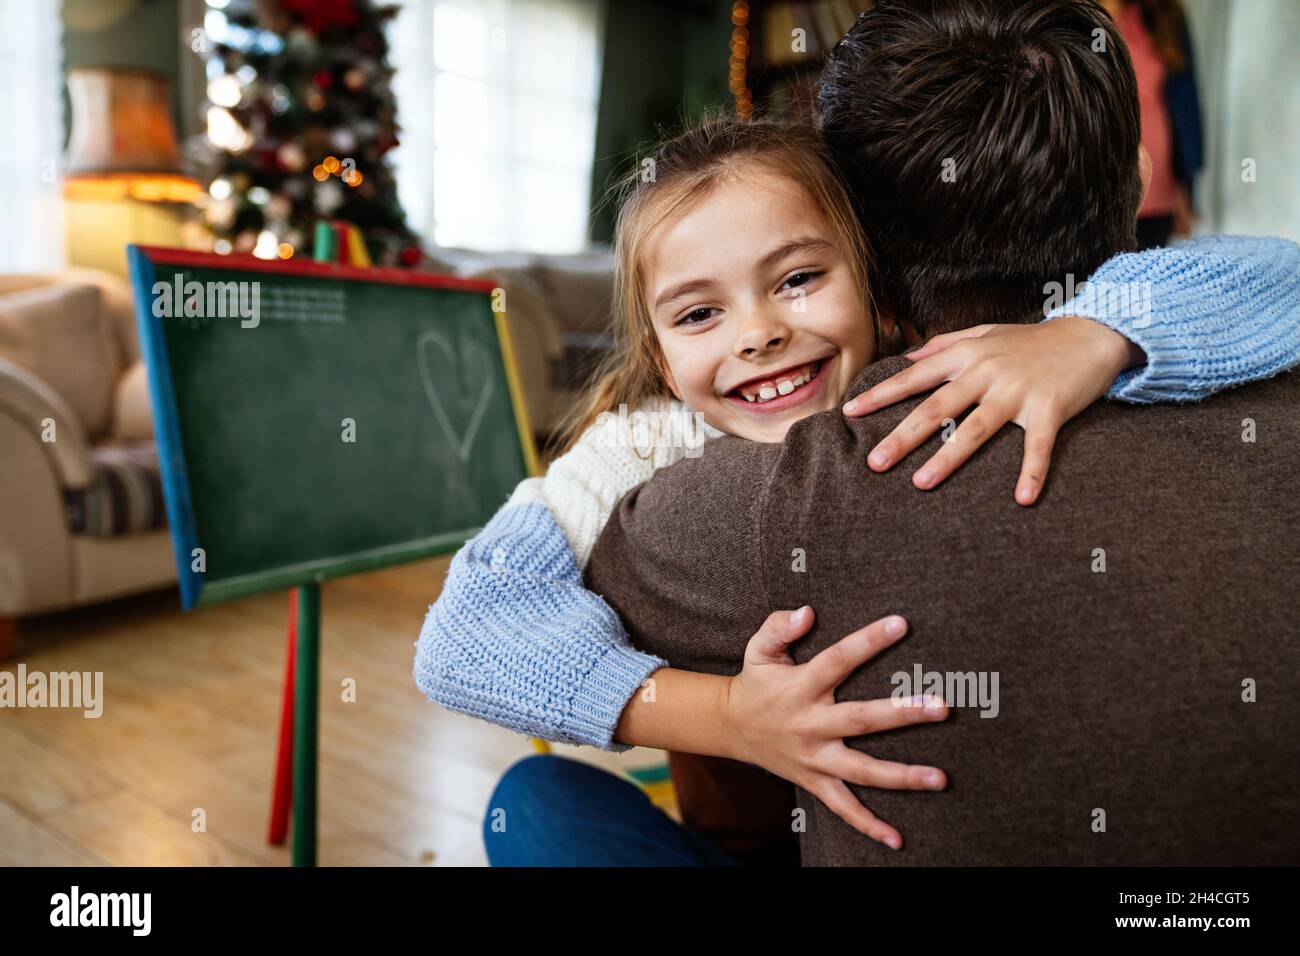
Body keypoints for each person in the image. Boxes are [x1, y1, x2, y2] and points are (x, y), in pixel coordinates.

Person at [414, 0, 1300, 864]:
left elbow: (1274, 271)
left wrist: (1096, 334)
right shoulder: (643, 448)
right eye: (697, 314)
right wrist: (725, 719)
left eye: (797, 278)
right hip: (766, 790)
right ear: (654, 343)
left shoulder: (910, 384)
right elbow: (463, 634)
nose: (755, 333)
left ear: (868, 262)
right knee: (534, 801)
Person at [1101, 0, 1203, 248]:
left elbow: (1185, 104)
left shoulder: (1164, 14)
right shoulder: (1065, 16)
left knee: (1150, 284)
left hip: (1159, 195)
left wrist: (1185, 185)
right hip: (1094, 200)